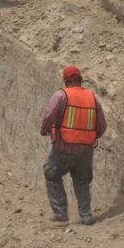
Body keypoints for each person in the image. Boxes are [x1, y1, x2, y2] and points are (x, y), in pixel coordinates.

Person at [40, 66, 107, 226]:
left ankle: (61, 213)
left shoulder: (61, 95)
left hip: (65, 146)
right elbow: (102, 126)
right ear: (80, 79)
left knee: (52, 174)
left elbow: (49, 116)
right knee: (82, 180)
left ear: (66, 81)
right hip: (86, 149)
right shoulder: (93, 98)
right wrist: (88, 136)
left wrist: (44, 129)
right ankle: (85, 215)